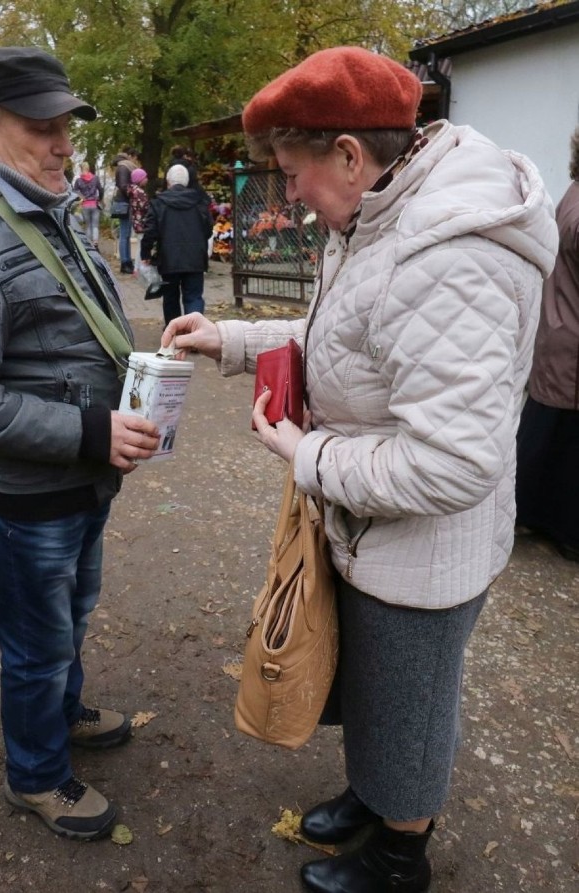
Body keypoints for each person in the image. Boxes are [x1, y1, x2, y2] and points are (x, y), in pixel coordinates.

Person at [162, 46, 556, 893]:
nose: (290, 193)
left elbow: (453, 462)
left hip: (421, 548)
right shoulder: (381, 210)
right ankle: (371, 797)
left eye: (293, 170)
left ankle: (398, 854)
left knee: (407, 707)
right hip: (371, 524)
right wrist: (230, 341)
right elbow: (346, 336)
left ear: (348, 152)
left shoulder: (452, 257)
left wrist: (310, 455)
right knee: (372, 684)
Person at [0, 45, 160, 842]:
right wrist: (89, 427)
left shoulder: (38, 208)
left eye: (66, 128)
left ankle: (65, 712)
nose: (64, 146)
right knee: (36, 640)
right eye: (43, 128)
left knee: (70, 616)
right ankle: (37, 776)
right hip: (29, 495)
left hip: (76, 481)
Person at [515, 125, 579, 563]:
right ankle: (566, 530)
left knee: (547, 433)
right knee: (561, 439)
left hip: (559, 332)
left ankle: (532, 513)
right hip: (571, 342)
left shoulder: (573, 193)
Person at [140, 164, 213, 325]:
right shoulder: (200, 201)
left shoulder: (159, 203)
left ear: (168, 181)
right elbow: (208, 229)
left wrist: (145, 254)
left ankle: (175, 333)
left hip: (168, 258)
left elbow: (150, 231)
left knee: (171, 297)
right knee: (194, 296)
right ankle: (195, 333)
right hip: (195, 258)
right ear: (187, 182)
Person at [112, 146, 139, 273]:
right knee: (124, 234)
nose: (135, 161)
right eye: (135, 157)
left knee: (126, 234)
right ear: (130, 155)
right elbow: (123, 185)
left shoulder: (122, 166)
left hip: (124, 201)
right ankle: (125, 262)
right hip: (124, 202)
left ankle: (127, 261)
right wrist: (134, 193)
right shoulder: (124, 167)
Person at [72, 161, 104, 248]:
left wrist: (81, 197)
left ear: (81, 169)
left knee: (88, 225)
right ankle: (95, 241)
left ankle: (89, 243)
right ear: (88, 168)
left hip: (85, 204)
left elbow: (74, 192)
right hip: (94, 203)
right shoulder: (95, 178)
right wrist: (99, 198)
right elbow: (100, 189)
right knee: (95, 225)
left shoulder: (78, 181)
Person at [127, 167, 150, 269]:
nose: (147, 179)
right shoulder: (140, 192)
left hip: (137, 222)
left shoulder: (133, 190)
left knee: (140, 244)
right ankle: (138, 267)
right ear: (140, 179)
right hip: (142, 222)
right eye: (145, 177)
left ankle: (136, 266)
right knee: (141, 245)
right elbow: (145, 207)